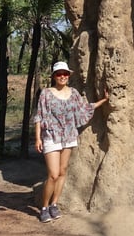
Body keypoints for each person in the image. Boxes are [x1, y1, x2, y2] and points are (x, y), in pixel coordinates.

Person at [33, 60, 109, 223]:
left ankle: (54, 204)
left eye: (65, 74)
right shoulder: (46, 93)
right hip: (51, 136)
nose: (62, 77)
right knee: (52, 174)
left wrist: (103, 101)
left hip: (68, 136)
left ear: (68, 75)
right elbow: (39, 116)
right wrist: (38, 137)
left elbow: (83, 109)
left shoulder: (74, 93)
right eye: (59, 74)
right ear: (54, 76)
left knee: (62, 172)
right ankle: (44, 207)